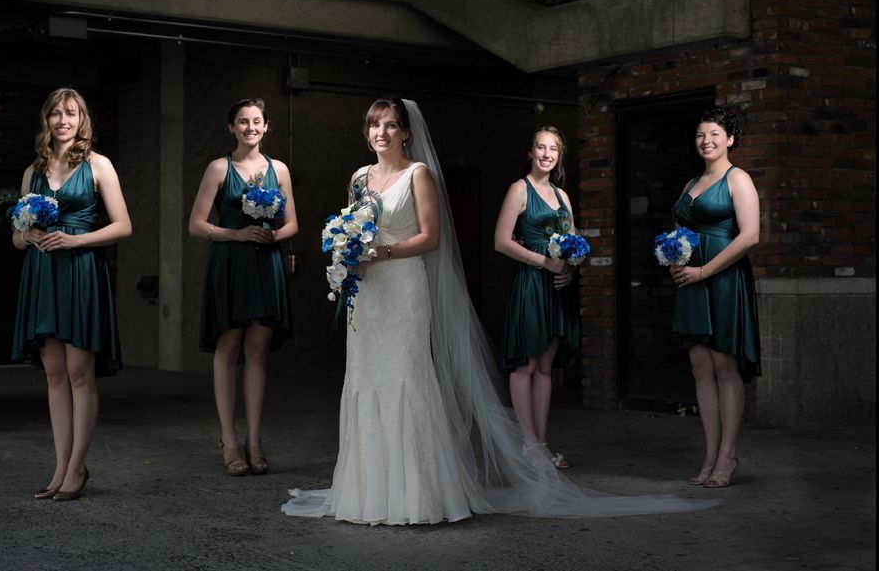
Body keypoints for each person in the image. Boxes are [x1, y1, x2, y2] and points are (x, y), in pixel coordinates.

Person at [283, 98, 717, 524]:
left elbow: (431, 238)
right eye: (375, 125)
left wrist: (381, 250)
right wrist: (348, 250)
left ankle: (415, 495)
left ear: (406, 131)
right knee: (364, 379)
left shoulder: (419, 175)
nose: (382, 133)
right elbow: (351, 225)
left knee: (406, 378)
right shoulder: (359, 177)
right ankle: (366, 492)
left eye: (391, 125)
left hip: (402, 288)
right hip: (367, 291)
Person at [12, 88, 132, 501]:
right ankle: (60, 465)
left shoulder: (99, 165)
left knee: (80, 374)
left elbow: (122, 226)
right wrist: (26, 235)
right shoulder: (33, 171)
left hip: (80, 270)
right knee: (54, 374)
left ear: (82, 120)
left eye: (72, 113)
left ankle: (78, 466)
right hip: (43, 273)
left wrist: (75, 242)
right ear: (46, 120)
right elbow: (15, 236)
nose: (63, 120)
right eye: (56, 114)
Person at [188, 98, 298, 477]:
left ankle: (254, 438)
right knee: (227, 347)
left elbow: (292, 224)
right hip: (230, 263)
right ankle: (229, 440)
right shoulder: (219, 168)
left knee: (257, 351)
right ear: (231, 128)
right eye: (242, 122)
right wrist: (234, 233)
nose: (250, 127)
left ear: (266, 126)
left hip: (265, 263)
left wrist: (273, 236)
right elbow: (196, 224)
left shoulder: (278, 169)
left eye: (257, 122)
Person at [669, 107, 761, 489]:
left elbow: (750, 235)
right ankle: (709, 455)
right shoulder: (691, 182)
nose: (706, 141)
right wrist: (675, 258)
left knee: (725, 367)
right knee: (700, 368)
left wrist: (705, 270)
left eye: (714, 134)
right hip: (691, 280)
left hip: (722, 280)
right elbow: (679, 230)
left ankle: (729, 456)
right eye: (700, 135)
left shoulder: (737, 178)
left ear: (730, 139)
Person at [494, 127, 579, 469]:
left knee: (545, 367)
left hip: (556, 288)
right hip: (531, 284)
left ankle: (541, 446)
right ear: (530, 152)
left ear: (559, 156)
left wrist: (570, 269)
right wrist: (543, 261)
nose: (546, 154)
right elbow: (501, 241)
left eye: (553, 149)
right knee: (526, 364)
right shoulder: (519, 190)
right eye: (540, 148)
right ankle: (527, 447)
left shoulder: (562, 196)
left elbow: (573, 242)